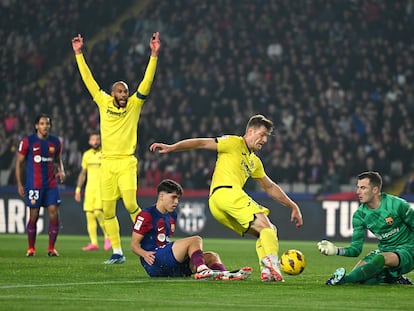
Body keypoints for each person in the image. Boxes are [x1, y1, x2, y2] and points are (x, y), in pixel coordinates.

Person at [149, 114, 303, 282]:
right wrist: (172, 147)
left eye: (267, 136)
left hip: (218, 204)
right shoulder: (233, 142)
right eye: (262, 134)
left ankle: (266, 271)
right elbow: (201, 142)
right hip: (227, 193)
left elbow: (270, 186)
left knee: (267, 231)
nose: (265, 140)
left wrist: (292, 205)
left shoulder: (254, 161)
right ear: (250, 131)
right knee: (266, 225)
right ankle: (273, 263)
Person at [72, 32, 161, 264]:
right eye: (120, 92)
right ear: (112, 94)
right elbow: (88, 80)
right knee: (108, 211)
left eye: (125, 91)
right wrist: (79, 54)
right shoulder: (102, 101)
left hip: (126, 162)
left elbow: (146, 82)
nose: (123, 95)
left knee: (131, 204)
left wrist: (153, 55)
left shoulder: (134, 104)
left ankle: (151, 241)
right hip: (107, 163)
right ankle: (118, 252)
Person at [131, 179, 252, 280]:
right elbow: (134, 245)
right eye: (173, 197)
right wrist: (144, 254)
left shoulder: (172, 215)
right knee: (195, 240)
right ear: (161, 196)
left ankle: (225, 275)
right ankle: (202, 270)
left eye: (178, 198)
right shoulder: (146, 215)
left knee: (211, 256)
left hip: (168, 262)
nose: (176, 202)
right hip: (154, 261)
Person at [318, 171, 414, 285]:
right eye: (358, 187)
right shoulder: (359, 215)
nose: (358, 192)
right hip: (385, 249)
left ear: (375, 190)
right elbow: (355, 250)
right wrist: (336, 250)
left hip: (408, 250)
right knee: (361, 278)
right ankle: (391, 278)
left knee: (379, 259)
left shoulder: (397, 205)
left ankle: (343, 280)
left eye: (363, 188)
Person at [15, 114, 65, 257]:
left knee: (54, 213)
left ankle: (51, 249)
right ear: (36, 126)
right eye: (42, 123)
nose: (45, 126)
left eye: (47, 124)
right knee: (34, 215)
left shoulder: (55, 142)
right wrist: (19, 184)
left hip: (51, 184)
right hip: (34, 184)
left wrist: (61, 170)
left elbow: (58, 159)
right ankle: (31, 248)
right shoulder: (28, 141)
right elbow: (18, 163)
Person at [74, 132, 111, 251]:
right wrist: (78, 189)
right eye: (93, 139)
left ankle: (108, 236)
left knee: (98, 212)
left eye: (97, 139)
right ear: (89, 142)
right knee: (89, 214)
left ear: (100, 141)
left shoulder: (105, 154)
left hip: (102, 187)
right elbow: (83, 173)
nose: (95, 141)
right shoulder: (86, 155)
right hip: (90, 188)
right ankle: (94, 243)